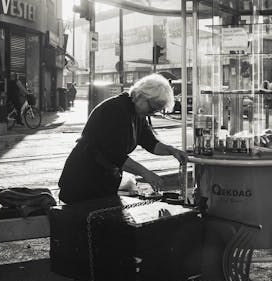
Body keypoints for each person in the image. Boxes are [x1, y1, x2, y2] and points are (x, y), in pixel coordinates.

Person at [58, 74, 186, 204]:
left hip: (103, 182)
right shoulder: (114, 110)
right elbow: (114, 155)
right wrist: (146, 174)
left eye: (157, 110)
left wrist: (172, 151)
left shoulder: (137, 113)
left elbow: (151, 143)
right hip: (82, 181)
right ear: (141, 96)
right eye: (152, 107)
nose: (152, 113)